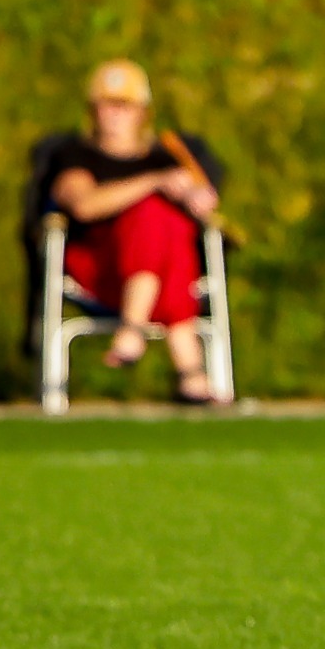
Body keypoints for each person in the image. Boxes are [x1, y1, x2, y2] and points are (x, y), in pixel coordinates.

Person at [42, 59, 224, 404]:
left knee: (170, 227)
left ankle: (137, 332)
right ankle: (188, 368)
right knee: (151, 212)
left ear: (142, 112)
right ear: (92, 110)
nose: (114, 115)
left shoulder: (168, 154)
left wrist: (194, 194)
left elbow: (204, 201)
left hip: (166, 271)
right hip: (101, 271)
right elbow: (83, 204)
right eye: (106, 105)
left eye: (123, 106)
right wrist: (155, 183)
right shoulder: (75, 156)